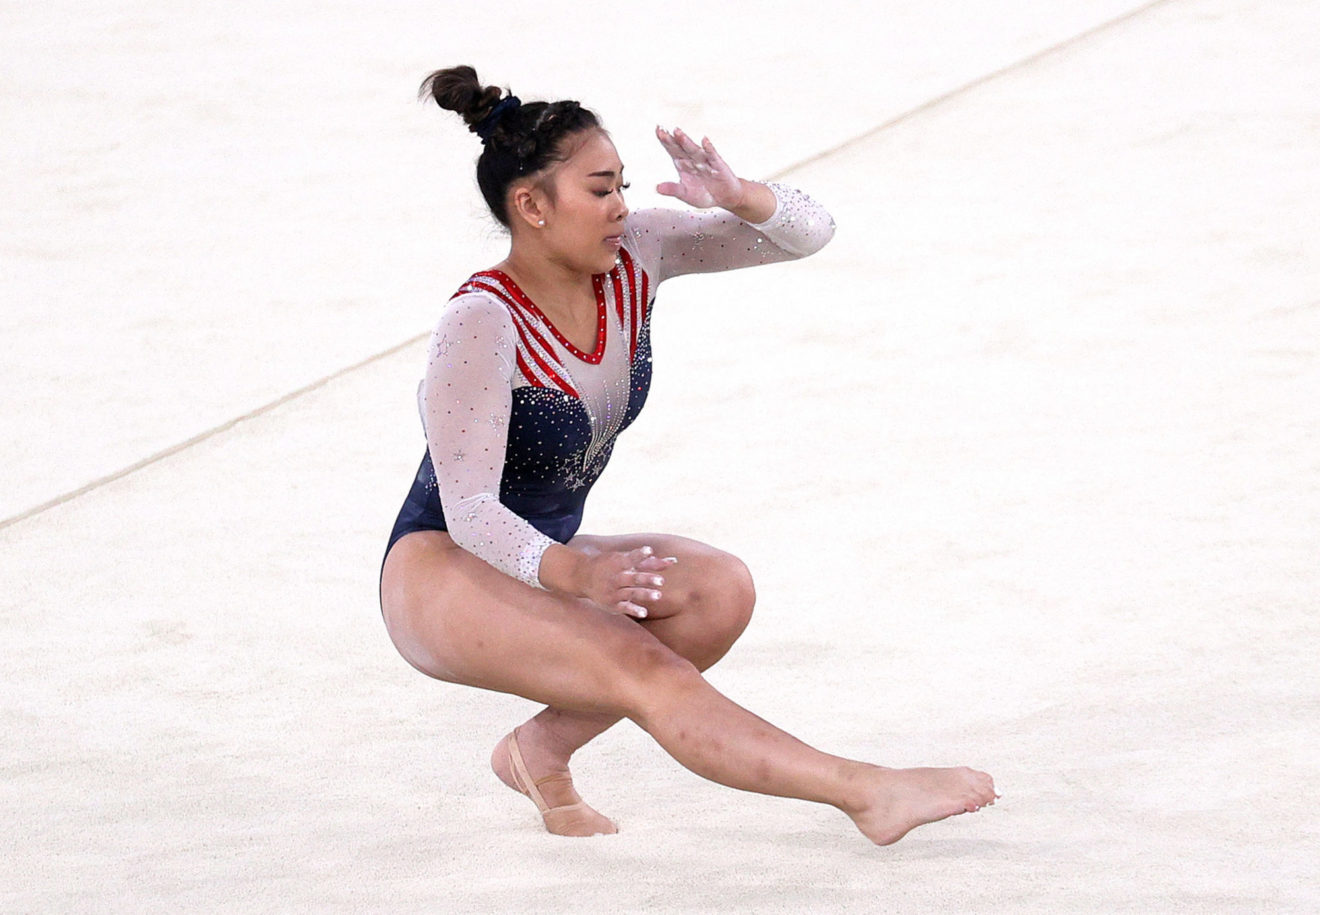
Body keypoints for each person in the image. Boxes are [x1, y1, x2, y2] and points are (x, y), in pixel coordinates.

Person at [379, 64, 997, 844]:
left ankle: (538, 751)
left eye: (622, 186)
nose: (621, 207)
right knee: (642, 666)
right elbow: (469, 509)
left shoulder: (635, 255)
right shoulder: (480, 321)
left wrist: (741, 196)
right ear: (531, 205)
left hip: (544, 555)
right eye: (600, 189)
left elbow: (810, 232)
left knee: (716, 591)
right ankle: (864, 792)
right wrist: (576, 574)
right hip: (440, 569)